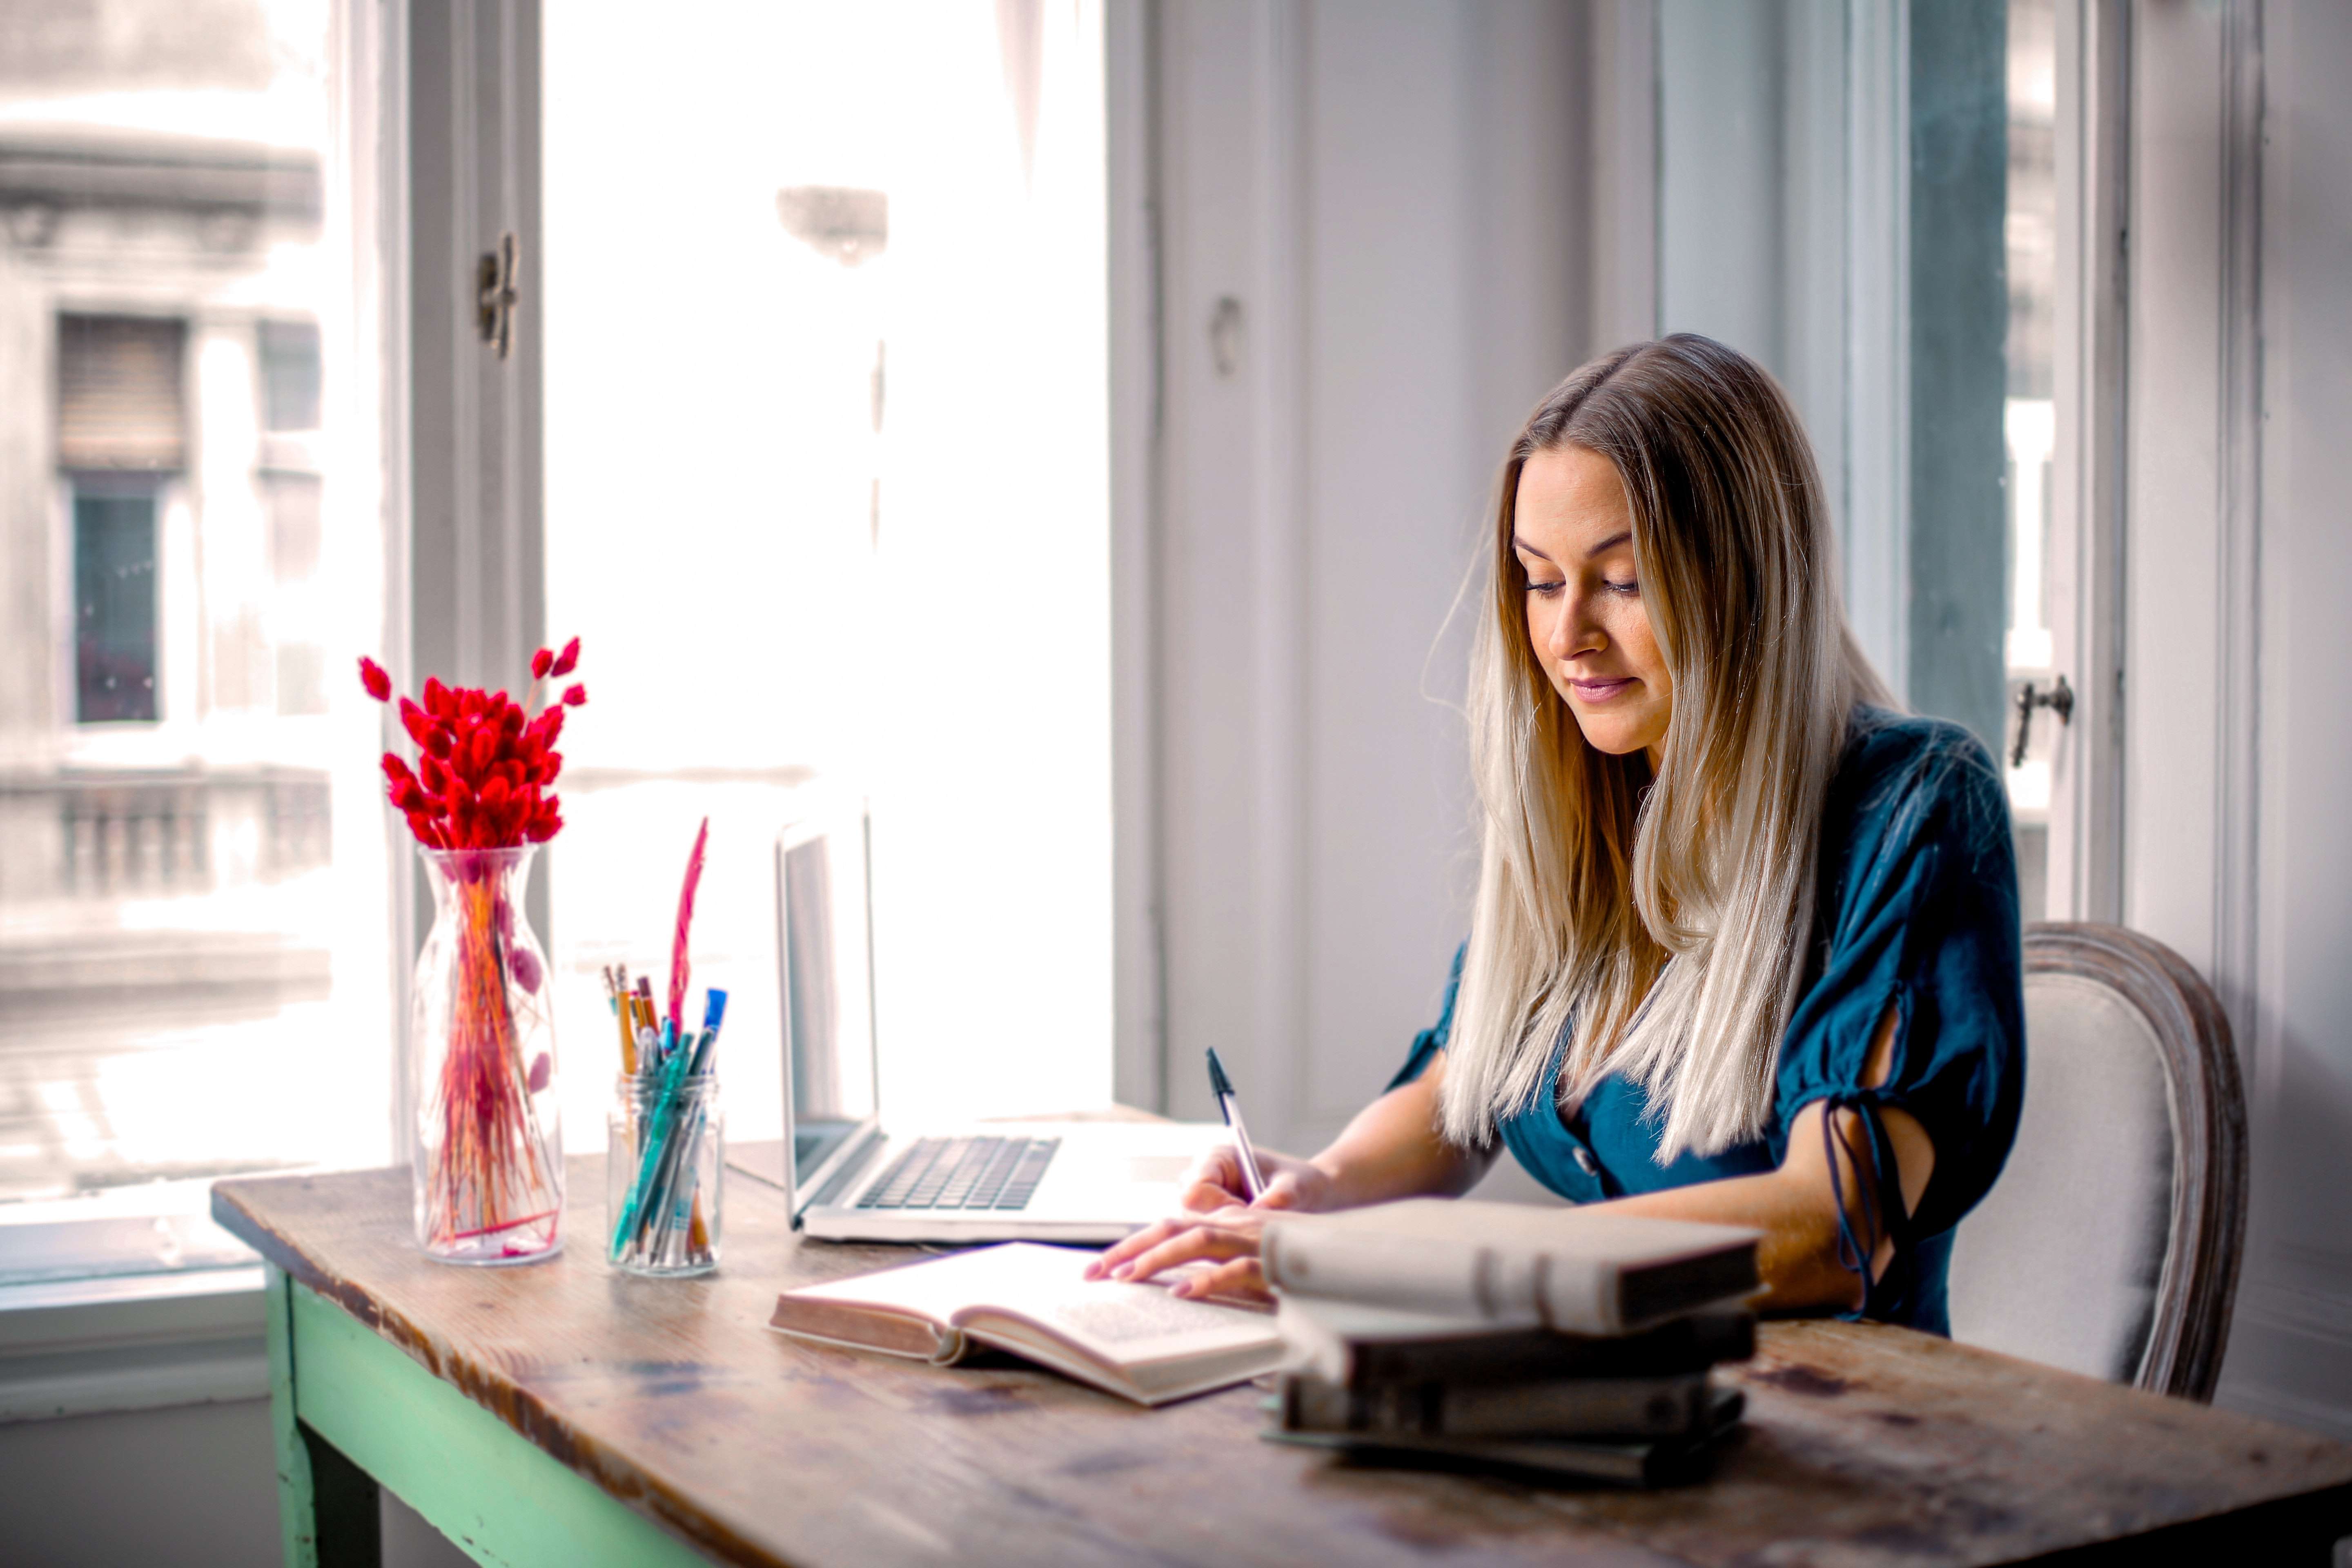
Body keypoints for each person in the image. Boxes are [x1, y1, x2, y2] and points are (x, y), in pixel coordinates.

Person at [1089, 334, 2024, 1334]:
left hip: (1832, 1437)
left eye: (1622, 581)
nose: (1568, 636)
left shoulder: (1913, 811)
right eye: (1541, 581)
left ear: (1750, 584)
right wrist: (1320, 1188)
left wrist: (1404, 1261)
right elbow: (1468, 1084)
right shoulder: (1597, 797)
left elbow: (1828, 1228)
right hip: (1594, 1408)